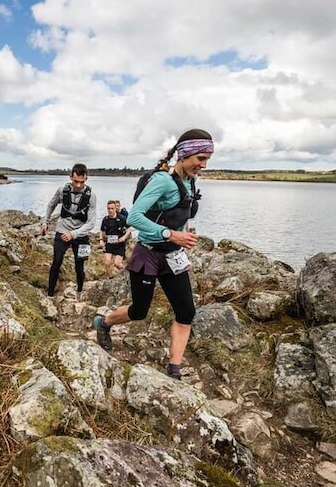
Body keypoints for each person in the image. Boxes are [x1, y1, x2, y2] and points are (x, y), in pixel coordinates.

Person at [92, 129, 212, 380]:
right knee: (139, 311)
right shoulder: (162, 181)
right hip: (148, 254)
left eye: (207, 159)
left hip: (173, 257)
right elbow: (134, 217)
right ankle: (103, 324)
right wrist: (171, 234)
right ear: (184, 154)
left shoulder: (189, 181)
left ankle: (174, 371)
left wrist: (184, 232)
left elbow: (179, 212)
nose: (203, 165)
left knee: (186, 312)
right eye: (200, 158)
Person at [40, 163, 97, 297]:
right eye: (75, 181)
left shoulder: (91, 196)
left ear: (86, 179)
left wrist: (74, 234)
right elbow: (51, 205)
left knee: (79, 264)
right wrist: (44, 222)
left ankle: (80, 291)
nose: (78, 185)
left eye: (81, 182)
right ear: (70, 177)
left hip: (80, 233)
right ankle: (50, 294)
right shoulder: (62, 190)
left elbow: (91, 222)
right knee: (57, 261)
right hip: (63, 229)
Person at [99, 200, 131, 277]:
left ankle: (128, 273)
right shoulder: (105, 219)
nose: (110, 210)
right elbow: (102, 230)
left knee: (117, 264)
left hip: (119, 244)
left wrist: (124, 237)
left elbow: (129, 228)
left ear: (115, 208)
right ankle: (110, 278)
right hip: (109, 243)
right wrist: (101, 240)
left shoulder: (122, 218)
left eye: (112, 208)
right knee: (107, 262)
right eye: (109, 208)